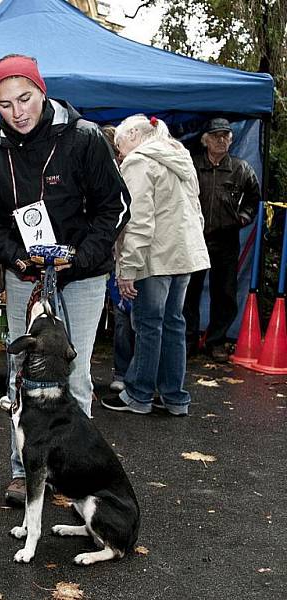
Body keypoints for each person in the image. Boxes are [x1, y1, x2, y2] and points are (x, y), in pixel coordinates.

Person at [0, 54, 130, 504]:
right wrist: (18, 261)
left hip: (81, 276)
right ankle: (24, 470)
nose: (17, 111)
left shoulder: (84, 139)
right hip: (26, 276)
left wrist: (80, 259)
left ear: (42, 92)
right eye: (5, 105)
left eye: (25, 98)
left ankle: (72, 473)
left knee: (76, 373)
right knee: (18, 371)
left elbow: (115, 208)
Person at [101, 115, 210, 416]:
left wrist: (127, 270)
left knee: (148, 325)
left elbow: (138, 222)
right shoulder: (180, 156)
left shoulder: (139, 163)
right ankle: (175, 397)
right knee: (174, 323)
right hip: (184, 254)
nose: (120, 153)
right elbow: (196, 210)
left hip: (155, 256)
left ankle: (139, 394)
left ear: (134, 134)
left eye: (120, 145)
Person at [183, 117, 261, 362]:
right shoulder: (192, 166)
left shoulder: (241, 168)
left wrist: (243, 218)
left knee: (225, 292)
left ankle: (217, 341)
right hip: (195, 238)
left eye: (226, 136)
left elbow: (253, 198)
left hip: (226, 239)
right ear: (205, 140)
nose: (221, 140)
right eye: (216, 135)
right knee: (189, 292)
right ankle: (188, 340)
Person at [100, 124, 134, 392]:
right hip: (113, 257)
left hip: (127, 257)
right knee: (123, 315)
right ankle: (123, 372)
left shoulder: (133, 172)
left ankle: (130, 375)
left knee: (130, 316)